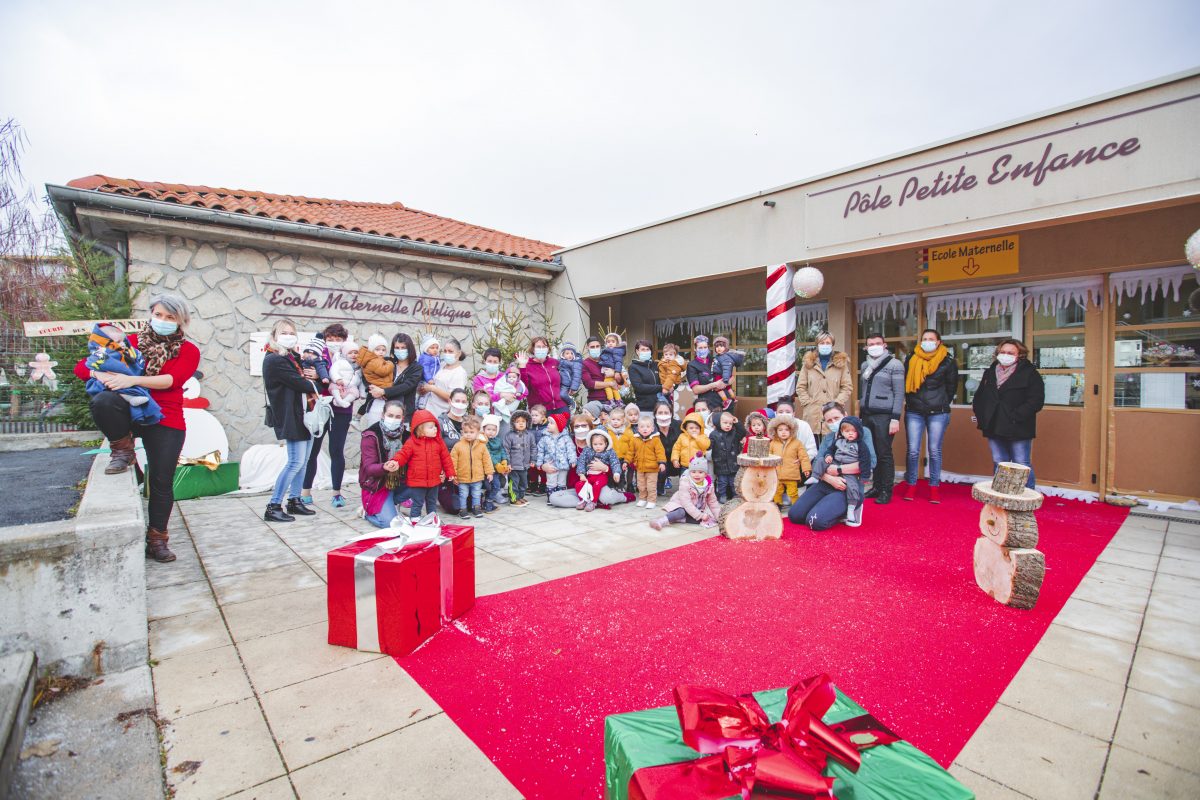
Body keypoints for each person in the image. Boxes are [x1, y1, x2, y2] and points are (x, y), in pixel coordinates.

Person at [75, 293, 199, 562]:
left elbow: (172, 380)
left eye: (170, 317)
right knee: (103, 400)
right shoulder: (128, 343)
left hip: (166, 417)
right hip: (129, 412)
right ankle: (122, 448)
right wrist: (102, 374)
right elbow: (82, 368)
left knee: (162, 481)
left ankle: (157, 540)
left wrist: (131, 380)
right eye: (159, 315)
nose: (163, 321)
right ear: (150, 314)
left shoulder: (189, 350)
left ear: (181, 321)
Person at [262, 318, 318, 523]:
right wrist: (313, 380)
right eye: (283, 333)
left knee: (303, 462)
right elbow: (300, 384)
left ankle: (294, 500)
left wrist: (311, 378)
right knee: (295, 462)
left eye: (291, 332)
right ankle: (274, 505)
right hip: (291, 416)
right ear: (275, 336)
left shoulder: (293, 358)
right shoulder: (275, 359)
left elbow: (305, 380)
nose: (288, 336)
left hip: (305, 414)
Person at [972, 338, 1045, 489]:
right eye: (1003, 352)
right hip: (993, 425)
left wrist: (1015, 416)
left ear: (1019, 355)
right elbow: (980, 396)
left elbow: (1036, 400)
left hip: (1018, 426)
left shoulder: (1030, 373)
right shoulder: (991, 372)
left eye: (1010, 353)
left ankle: (1028, 496)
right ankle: (1001, 494)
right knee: (999, 461)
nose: (1006, 355)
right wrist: (982, 415)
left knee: (1021, 463)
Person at [903, 329, 958, 503]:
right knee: (913, 451)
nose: (927, 341)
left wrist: (941, 402)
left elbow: (952, 387)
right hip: (914, 410)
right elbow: (906, 383)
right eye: (924, 339)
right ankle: (911, 484)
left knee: (934, 451)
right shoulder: (911, 359)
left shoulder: (947, 361)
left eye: (931, 339)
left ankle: (934, 487)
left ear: (939, 342)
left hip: (938, 411)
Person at [299, 325, 345, 509]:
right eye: (331, 339)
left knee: (337, 450)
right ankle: (305, 492)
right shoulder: (316, 353)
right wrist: (317, 375)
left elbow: (352, 378)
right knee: (313, 450)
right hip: (319, 406)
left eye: (338, 339)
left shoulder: (349, 356)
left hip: (341, 409)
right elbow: (306, 375)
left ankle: (336, 493)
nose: (334, 343)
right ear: (325, 339)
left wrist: (323, 375)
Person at [857, 333, 906, 504]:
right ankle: (876, 486)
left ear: (884, 345)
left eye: (878, 343)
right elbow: (864, 390)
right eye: (871, 343)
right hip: (867, 414)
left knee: (884, 453)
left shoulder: (895, 364)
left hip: (885, 415)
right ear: (866, 347)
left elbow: (899, 393)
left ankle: (886, 489)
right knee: (872, 452)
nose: (874, 346)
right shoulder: (865, 365)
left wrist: (895, 418)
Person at [83, 323, 163, 424]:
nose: (122, 344)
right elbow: (85, 366)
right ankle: (130, 399)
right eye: (118, 342)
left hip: (132, 383)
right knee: (115, 389)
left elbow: (137, 364)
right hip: (110, 384)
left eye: (123, 341)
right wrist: (95, 373)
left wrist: (132, 376)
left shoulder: (129, 350)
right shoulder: (100, 353)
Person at [393, 409, 456, 518]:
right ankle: (415, 520)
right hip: (417, 480)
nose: (435, 429)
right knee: (417, 502)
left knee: (432, 502)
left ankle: (432, 519)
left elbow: (446, 458)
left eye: (435, 426)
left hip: (434, 480)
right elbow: (403, 454)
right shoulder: (412, 443)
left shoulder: (439, 442)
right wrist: (396, 461)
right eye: (431, 427)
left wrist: (450, 472)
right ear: (420, 430)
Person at [358, 400, 409, 528]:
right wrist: (384, 467)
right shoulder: (371, 435)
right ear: (382, 415)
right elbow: (369, 468)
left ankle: (391, 504)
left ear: (403, 418)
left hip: (399, 483)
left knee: (424, 483)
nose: (393, 419)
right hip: (378, 486)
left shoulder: (407, 436)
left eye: (397, 417)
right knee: (390, 524)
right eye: (390, 415)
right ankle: (366, 513)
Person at [796, 332, 853, 436]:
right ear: (817, 344)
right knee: (813, 446)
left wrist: (837, 404)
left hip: (833, 414)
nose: (825, 345)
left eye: (828, 342)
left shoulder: (841, 364)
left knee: (831, 446)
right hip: (812, 413)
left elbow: (847, 387)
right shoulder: (808, 363)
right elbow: (800, 387)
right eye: (822, 342)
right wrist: (808, 403)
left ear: (832, 344)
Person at [820, 416, 873, 526]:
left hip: (849, 470)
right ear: (842, 432)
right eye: (847, 431)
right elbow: (830, 450)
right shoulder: (838, 441)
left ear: (858, 431)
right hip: (834, 464)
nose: (850, 433)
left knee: (852, 487)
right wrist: (828, 455)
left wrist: (864, 476)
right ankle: (814, 476)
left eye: (853, 431)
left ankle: (851, 509)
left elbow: (866, 461)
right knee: (820, 461)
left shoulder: (861, 445)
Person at [650, 456, 720, 531]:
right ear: (690, 472)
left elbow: (713, 503)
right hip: (680, 505)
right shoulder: (685, 482)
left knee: (703, 520)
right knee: (681, 512)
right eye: (693, 472)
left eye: (700, 472)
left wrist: (719, 517)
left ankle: (679, 519)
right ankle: (661, 521)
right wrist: (700, 515)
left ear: (705, 474)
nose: (697, 475)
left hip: (694, 508)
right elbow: (686, 503)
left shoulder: (708, 485)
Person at [517, 336, 570, 431]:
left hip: (561, 407)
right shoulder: (527, 365)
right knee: (543, 440)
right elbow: (524, 388)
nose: (541, 349)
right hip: (541, 411)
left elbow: (566, 377)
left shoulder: (554, 362)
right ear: (533, 349)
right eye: (538, 347)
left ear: (548, 349)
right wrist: (522, 367)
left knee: (563, 438)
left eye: (544, 346)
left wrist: (570, 389)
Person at [450, 415, 491, 519]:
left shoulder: (481, 446)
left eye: (471, 432)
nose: (468, 435)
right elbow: (453, 460)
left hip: (477, 477)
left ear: (478, 432)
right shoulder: (458, 446)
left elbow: (486, 460)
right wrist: (453, 475)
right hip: (462, 477)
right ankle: (462, 510)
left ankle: (476, 508)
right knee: (463, 494)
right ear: (462, 432)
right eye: (466, 432)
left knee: (476, 494)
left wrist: (489, 472)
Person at [769, 414, 812, 510]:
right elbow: (769, 457)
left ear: (791, 431)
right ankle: (777, 505)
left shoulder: (797, 443)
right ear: (775, 431)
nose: (783, 432)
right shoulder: (773, 443)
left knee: (793, 492)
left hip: (791, 474)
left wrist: (806, 468)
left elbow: (804, 457)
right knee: (777, 491)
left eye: (786, 430)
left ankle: (796, 506)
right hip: (777, 474)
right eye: (780, 430)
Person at [574, 429, 622, 511]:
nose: (598, 446)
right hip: (590, 475)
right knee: (579, 484)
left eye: (600, 444)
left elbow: (615, 463)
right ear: (591, 444)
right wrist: (581, 474)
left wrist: (616, 473)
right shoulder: (587, 450)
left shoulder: (609, 452)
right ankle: (584, 500)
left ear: (606, 443)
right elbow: (581, 461)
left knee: (597, 485)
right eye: (595, 444)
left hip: (601, 476)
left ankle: (593, 502)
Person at [421, 337, 468, 419]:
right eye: (445, 351)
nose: (447, 354)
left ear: (459, 353)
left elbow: (454, 397)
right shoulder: (441, 365)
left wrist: (433, 389)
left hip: (441, 415)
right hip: (428, 409)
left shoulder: (459, 373)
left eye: (450, 351)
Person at [630, 413, 667, 508]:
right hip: (640, 468)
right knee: (641, 486)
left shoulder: (655, 440)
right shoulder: (635, 439)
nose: (645, 429)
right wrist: (627, 461)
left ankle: (651, 500)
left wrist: (662, 462)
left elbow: (660, 452)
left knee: (651, 486)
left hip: (652, 468)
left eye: (647, 426)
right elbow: (631, 452)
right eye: (642, 427)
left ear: (652, 428)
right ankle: (642, 499)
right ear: (638, 429)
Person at [356, 334, 394, 425]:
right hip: (378, 385)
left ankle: (357, 418)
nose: (381, 352)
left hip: (377, 385)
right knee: (369, 403)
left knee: (367, 403)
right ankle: (357, 418)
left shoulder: (375, 359)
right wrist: (391, 363)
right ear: (372, 350)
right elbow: (383, 371)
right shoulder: (374, 361)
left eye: (383, 350)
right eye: (377, 349)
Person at [709, 411, 745, 502]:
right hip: (720, 463)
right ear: (718, 422)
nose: (728, 425)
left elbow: (742, 432)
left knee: (734, 482)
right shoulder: (714, 434)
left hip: (733, 463)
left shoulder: (734, 433)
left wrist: (737, 423)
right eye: (725, 423)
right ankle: (722, 495)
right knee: (722, 482)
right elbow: (709, 445)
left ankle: (735, 495)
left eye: (730, 423)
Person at [504, 409, 537, 506]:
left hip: (525, 465)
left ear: (527, 422)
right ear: (513, 423)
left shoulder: (530, 435)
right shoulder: (509, 436)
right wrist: (508, 463)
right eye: (518, 422)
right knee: (514, 483)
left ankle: (520, 497)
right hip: (513, 466)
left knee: (523, 483)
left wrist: (533, 460)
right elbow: (506, 450)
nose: (521, 424)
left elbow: (533, 448)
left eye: (523, 421)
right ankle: (513, 499)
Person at [537, 417, 571, 502]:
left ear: (559, 426)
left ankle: (560, 498)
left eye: (551, 423)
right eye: (549, 422)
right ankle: (551, 498)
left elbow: (570, 449)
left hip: (563, 464)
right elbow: (540, 451)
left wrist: (572, 460)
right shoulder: (545, 438)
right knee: (551, 481)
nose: (548, 424)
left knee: (562, 482)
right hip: (550, 464)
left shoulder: (566, 438)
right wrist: (539, 462)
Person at [653, 401, 682, 497]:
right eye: (660, 413)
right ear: (655, 414)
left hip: (677, 460)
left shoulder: (679, 425)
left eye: (666, 412)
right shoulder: (651, 428)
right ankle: (659, 486)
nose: (663, 415)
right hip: (660, 461)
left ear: (671, 414)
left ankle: (684, 488)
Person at [582, 336, 620, 407]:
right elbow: (589, 384)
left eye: (597, 346)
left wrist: (614, 373)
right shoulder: (585, 364)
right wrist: (610, 384)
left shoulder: (608, 360)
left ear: (601, 347)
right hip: (596, 401)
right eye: (592, 347)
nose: (595, 348)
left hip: (614, 400)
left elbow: (621, 380)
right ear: (587, 348)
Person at [481, 414, 508, 511]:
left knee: (498, 484)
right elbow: (488, 454)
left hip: (499, 468)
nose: (491, 432)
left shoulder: (498, 440)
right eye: (488, 429)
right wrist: (496, 464)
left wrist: (504, 460)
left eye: (494, 430)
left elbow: (502, 450)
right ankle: (488, 502)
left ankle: (488, 503)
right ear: (483, 428)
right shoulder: (484, 441)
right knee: (494, 487)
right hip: (490, 469)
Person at [627, 339, 663, 413]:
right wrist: (662, 387)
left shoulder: (656, 365)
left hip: (662, 406)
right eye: (643, 349)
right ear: (637, 351)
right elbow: (640, 387)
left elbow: (668, 378)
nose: (645, 351)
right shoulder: (633, 367)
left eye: (647, 349)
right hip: (645, 407)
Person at [711, 335, 746, 411]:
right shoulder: (720, 356)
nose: (719, 348)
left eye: (721, 346)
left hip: (720, 376)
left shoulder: (725, 357)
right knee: (728, 388)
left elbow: (726, 368)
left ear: (726, 347)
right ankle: (734, 398)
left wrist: (725, 380)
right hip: (722, 375)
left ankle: (725, 400)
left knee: (718, 389)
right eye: (717, 347)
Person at [598, 332, 627, 405]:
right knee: (614, 387)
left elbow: (618, 362)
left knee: (607, 386)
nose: (610, 343)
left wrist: (617, 372)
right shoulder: (608, 351)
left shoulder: (616, 351)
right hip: (608, 371)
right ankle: (618, 400)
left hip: (611, 371)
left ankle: (611, 400)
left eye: (613, 341)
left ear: (617, 343)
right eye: (608, 342)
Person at [556, 341, 583, 412]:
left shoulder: (576, 364)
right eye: (567, 353)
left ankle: (571, 403)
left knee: (562, 395)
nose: (570, 355)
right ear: (563, 354)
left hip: (567, 385)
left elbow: (577, 376)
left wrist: (573, 388)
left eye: (571, 353)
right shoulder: (560, 362)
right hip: (560, 384)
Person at [416, 336, 441, 409]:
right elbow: (425, 369)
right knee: (424, 391)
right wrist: (429, 378)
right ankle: (421, 404)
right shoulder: (425, 357)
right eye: (432, 348)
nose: (435, 350)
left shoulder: (435, 357)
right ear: (426, 348)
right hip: (425, 380)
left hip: (432, 380)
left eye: (436, 348)